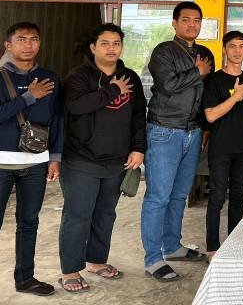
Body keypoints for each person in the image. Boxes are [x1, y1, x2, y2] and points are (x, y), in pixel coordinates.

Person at [58, 23, 146, 292]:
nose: (111, 48)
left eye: (116, 43)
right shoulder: (78, 76)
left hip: (117, 160)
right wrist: (113, 90)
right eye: (105, 43)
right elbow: (75, 106)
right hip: (81, 160)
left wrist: (139, 148)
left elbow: (138, 116)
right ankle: (70, 270)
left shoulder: (130, 77)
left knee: (105, 214)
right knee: (78, 215)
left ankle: (96, 261)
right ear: (93, 47)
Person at [0, 22, 62, 301]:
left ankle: (25, 279)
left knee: (29, 223)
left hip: (36, 163)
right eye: (21, 39)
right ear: (8, 45)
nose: (28, 44)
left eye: (34, 39)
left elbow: (57, 119)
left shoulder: (50, 77)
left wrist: (55, 157)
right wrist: (29, 97)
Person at [141, 1, 214, 282]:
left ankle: (172, 247)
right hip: (164, 130)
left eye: (197, 20)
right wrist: (197, 71)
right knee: (158, 196)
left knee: (180, 194)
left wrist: (205, 127)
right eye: (186, 20)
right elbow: (168, 85)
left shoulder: (204, 54)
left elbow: (205, 94)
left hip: (192, 131)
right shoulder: (164, 51)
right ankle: (153, 259)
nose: (192, 25)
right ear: (174, 23)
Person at [203, 31, 243, 258]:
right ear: (225, 49)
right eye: (233, 46)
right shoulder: (213, 80)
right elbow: (210, 115)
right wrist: (236, 96)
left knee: (238, 197)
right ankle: (212, 248)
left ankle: (233, 245)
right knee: (217, 197)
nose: (237, 51)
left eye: (242, 46)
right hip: (220, 148)